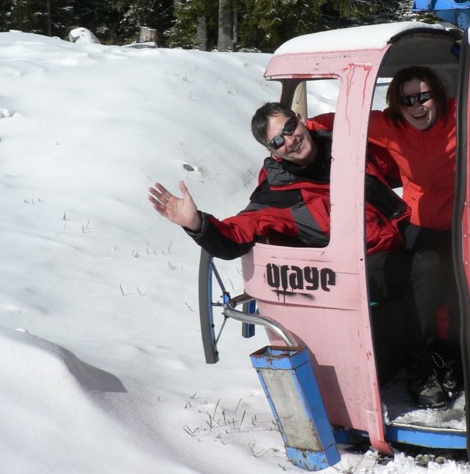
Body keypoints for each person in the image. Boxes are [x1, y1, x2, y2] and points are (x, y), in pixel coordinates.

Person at [149, 101, 450, 409]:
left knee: (452, 244)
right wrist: (197, 223)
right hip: (353, 269)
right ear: (273, 152)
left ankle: (447, 348)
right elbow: (236, 234)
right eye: (278, 141)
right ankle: (420, 367)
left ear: (301, 120)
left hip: (393, 238)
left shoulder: (341, 145)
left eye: (290, 128)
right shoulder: (279, 195)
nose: (289, 140)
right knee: (425, 266)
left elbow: (391, 162)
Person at [310, 66, 462, 399]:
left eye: (424, 96)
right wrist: (294, 136)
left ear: (439, 95)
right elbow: (334, 120)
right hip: (417, 224)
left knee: (459, 295)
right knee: (423, 287)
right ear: (397, 104)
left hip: (461, 224)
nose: (417, 106)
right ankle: (421, 363)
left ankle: (449, 356)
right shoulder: (389, 125)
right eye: (408, 100)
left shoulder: (460, 114)